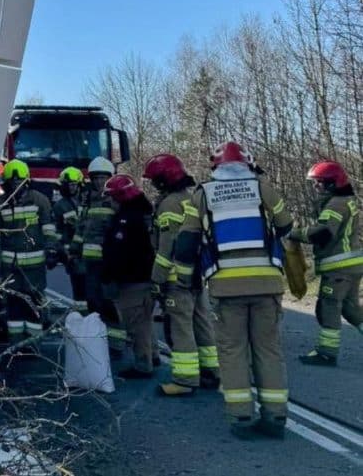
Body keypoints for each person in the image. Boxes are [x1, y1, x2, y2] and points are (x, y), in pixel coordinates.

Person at [173, 141, 293, 439]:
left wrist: (186, 281)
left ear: (216, 167)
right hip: (267, 284)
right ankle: (275, 416)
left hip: (226, 288)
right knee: (268, 349)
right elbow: (285, 224)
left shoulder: (203, 194)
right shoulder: (262, 188)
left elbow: (187, 244)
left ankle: (241, 416)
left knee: (233, 351)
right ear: (247, 164)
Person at [143, 154, 220, 396]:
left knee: (180, 328)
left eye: (155, 180)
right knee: (202, 324)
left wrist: (157, 279)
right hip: (197, 275)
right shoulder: (192, 198)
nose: (154, 185)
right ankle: (211, 372)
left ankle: (185, 380)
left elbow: (167, 248)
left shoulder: (170, 204)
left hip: (176, 279)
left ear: (164, 180)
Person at [289, 161, 363, 367]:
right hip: (351, 265)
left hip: (339, 268)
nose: (315, 187)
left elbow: (322, 233)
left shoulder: (336, 203)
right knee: (351, 310)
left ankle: (326, 353)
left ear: (332, 184)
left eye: (319, 183)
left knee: (328, 307)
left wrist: (293, 234)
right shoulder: (347, 200)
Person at [0, 159, 56, 340]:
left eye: (19, 181)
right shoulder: (0, 203)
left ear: (27, 181)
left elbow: (48, 227)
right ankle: (16, 344)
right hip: (10, 267)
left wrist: (52, 250)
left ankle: (32, 343)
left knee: (32, 305)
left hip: (35, 267)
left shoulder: (40, 200)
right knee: (13, 306)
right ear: (7, 183)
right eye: (13, 182)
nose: (16, 185)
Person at [101, 174, 156, 378]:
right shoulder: (139, 214)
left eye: (111, 197)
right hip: (142, 278)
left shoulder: (127, 220)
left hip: (134, 280)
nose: (108, 202)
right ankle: (153, 356)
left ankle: (143, 365)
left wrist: (108, 274)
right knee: (144, 321)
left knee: (136, 324)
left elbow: (119, 251)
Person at [73, 157, 126, 353]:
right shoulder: (87, 200)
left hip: (107, 263)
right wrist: (74, 251)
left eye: (103, 178)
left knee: (110, 302)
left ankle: (116, 343)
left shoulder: (116, 201)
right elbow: (81, 228)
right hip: (89, 263)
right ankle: (98, 340)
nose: (98, 182)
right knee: (93, 302)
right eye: (95, 178)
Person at [52, 167, 87, 311]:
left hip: (91, 253)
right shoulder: (60, 206)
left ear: (80, 185)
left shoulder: (87, 201)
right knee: (79, 291)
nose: (71, 188)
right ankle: (82, 319)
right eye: (68, 185)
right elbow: (57, 232)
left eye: (74, 184)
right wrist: (63, 252)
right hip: (74, 255)